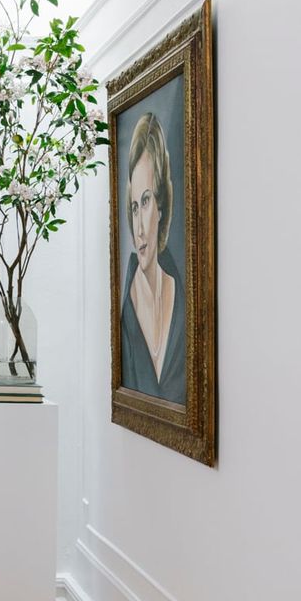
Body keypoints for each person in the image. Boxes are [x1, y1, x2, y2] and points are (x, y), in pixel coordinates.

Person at [120, 112, 186, 403]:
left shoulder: (182, 299)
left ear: (161, 206)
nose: (139, 229)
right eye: (134, 207)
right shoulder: (126, 311)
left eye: (145, 201)